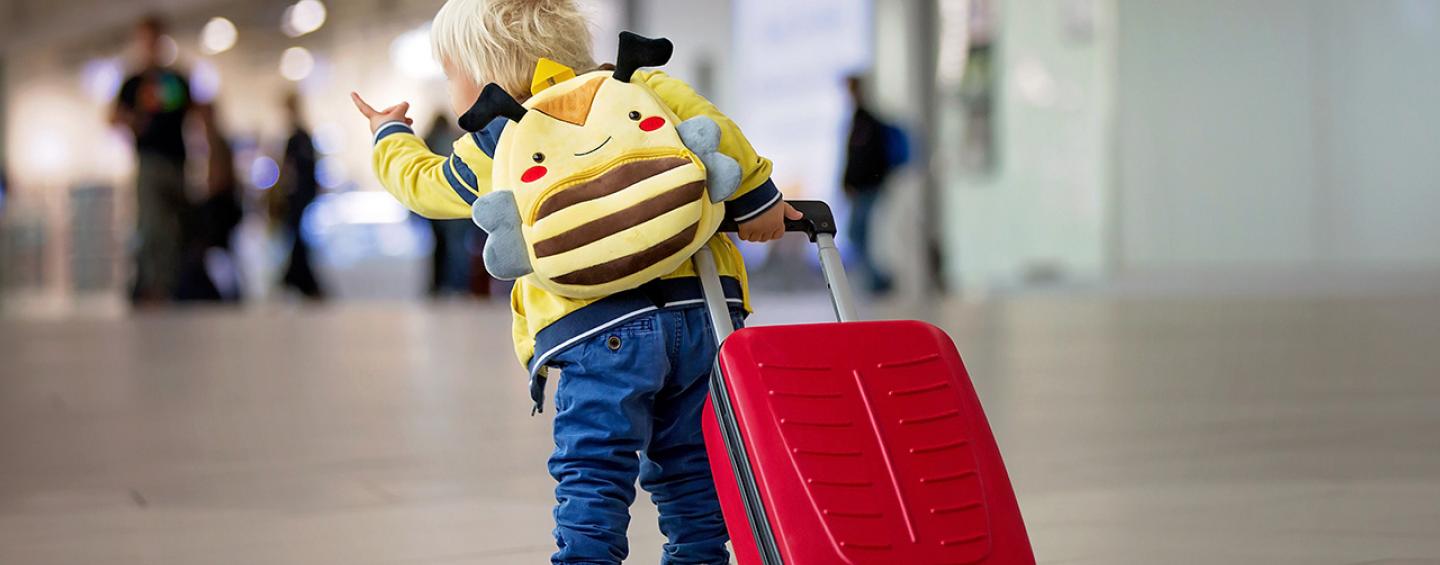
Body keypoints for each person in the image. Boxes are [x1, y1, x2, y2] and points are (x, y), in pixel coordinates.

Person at [350, 1, 800, 563]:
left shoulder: (499, 137)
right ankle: (700, 556)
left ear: (482, 69)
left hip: (595, 328)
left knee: (594, 468)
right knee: (692, 459)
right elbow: (721, 135)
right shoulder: (639, 85)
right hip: (698, 311)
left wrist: (388, 132)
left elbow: (423, 184)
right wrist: (761, 203)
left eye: (451, 75)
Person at [111, 15, 193, 304]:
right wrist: (133, 121)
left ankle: (171, 286)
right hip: (149, 161)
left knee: (175, 226)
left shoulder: (178, 79)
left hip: (178, 161)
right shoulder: (133, 82)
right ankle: (151, 286)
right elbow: (112, 116)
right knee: (151, 225)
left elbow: (198, 115)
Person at [842, 74, 898, 295]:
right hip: (866, 186)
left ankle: (877, 280)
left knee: (857, 234)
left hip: (866, 187)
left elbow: (860, 158)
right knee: (860, 234)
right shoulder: (861, 119)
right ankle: (874, 280)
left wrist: (852, 182)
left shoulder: (865, 121)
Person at [420, 113, 480, 298]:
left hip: (431, 205)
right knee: (458, 247)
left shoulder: (428, 140)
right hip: (455, 206)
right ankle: (459, 284)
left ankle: (438, 284)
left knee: (439, 246)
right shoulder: (452, 140)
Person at [276, 93, 326, 299]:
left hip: (299, 196)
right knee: (296, 237)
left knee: (297, 236)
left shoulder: (300, 137)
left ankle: (298, 279)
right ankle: (297, 278)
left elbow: (299, 170)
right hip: (299, 195)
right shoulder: (300, 137)